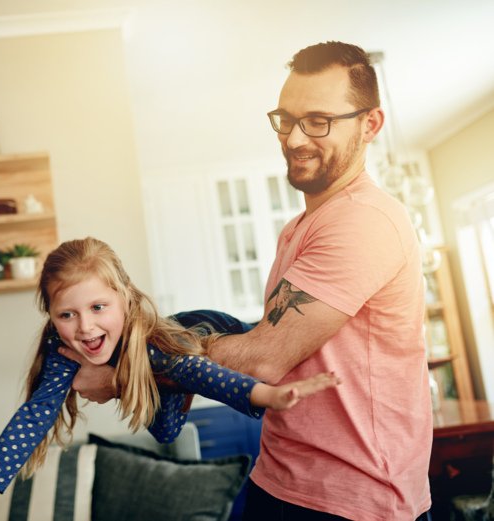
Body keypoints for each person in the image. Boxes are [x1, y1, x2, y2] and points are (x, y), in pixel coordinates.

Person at [62, 42, 432, 521]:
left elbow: (263, 358)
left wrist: (128, 366)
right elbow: (282, 342)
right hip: (283, 478)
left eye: (318, 121)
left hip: (353, 499)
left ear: (370, 125)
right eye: (286, 119)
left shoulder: (364, 221)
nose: (295, 138)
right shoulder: (298, 229)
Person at [0, 237, 340, 502]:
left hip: (208, 330)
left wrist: (268, 394)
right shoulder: (61, 348)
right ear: (51, 316)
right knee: (166, 431)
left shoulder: (152, 343)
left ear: (125, 299)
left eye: (99, 307)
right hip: (164, 372)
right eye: (67, 315)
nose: (86, 327)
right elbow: (37, 412)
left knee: (180, 367)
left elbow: (208, 377)